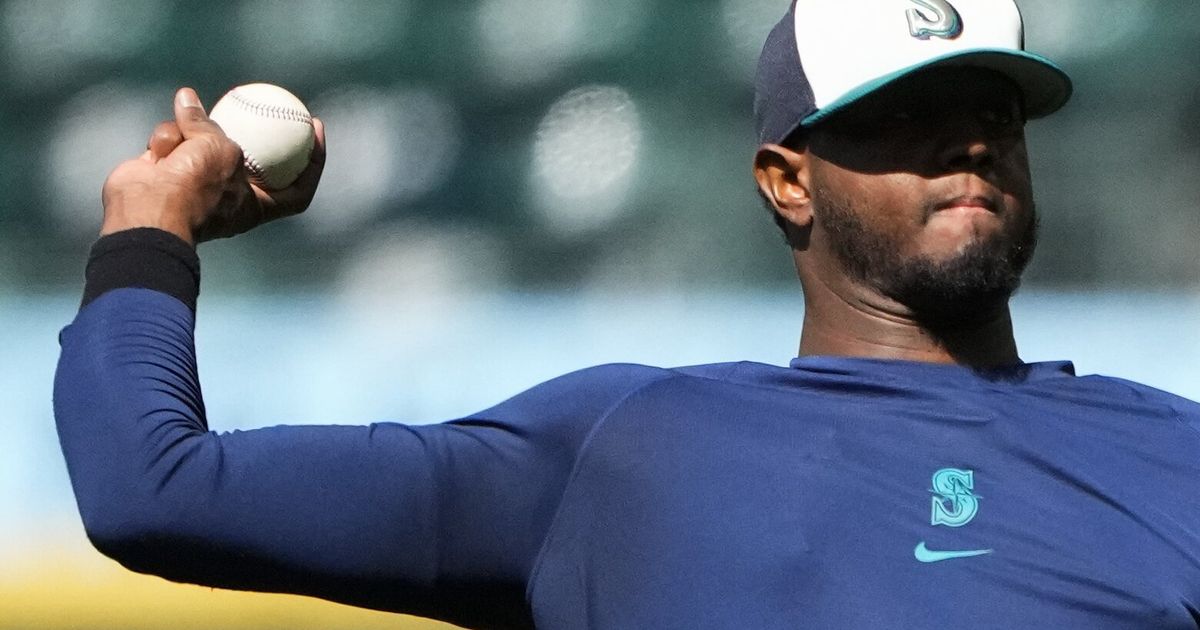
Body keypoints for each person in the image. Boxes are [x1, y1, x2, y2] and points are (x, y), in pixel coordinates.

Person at [54, 1, 1200, 628]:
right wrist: (147, 225)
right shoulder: (622, 452)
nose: (971, 140)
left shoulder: (1176, 457)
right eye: (908, 112)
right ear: (786, 178)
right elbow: (152, 492)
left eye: (996, 110)